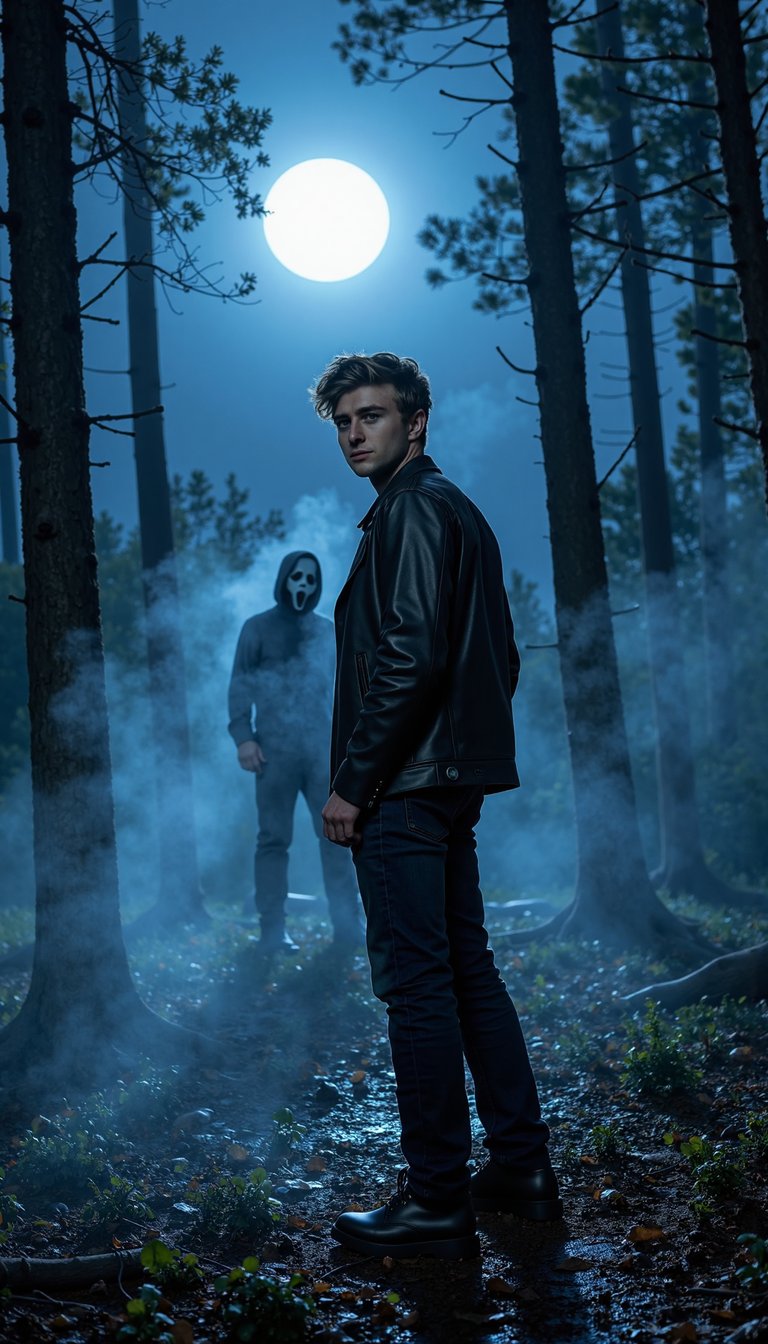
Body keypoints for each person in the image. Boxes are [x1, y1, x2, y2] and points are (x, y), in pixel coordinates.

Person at [310, 353, 562, 1260]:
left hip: (404, 791)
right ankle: (523, 1172)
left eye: (370, 416)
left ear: (416, 420)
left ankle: (435, 1203)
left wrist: (351, 783)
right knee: (467, 972)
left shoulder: (414, 509)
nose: (353, 434)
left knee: (417, 989)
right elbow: (501, 653)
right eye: (342, 421)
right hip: (444, 782)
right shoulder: (452, 511)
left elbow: (412, 656)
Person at [228, 550, 360, 952]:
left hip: (323, 753)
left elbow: (348, 689)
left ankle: (349, 928)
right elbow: (239, 686)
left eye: (310, 578)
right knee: (273, 840)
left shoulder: (327, 631)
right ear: (284, 578)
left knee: (338, 836)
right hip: (274, 753)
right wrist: (244, 738)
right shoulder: (257, 629)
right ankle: (272, 931)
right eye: (297, 576)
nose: (303, 584)